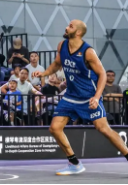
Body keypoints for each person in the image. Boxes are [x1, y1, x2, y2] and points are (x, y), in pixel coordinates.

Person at [31, 19, 128, 175]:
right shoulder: (62, 46)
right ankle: (74, 163)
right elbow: (57, 64)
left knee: (104, 129)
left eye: (70, 26)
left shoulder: (88, 52)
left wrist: (96, 97)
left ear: (78, 32)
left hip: (88, 96)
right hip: (70, 96)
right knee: (55, 128)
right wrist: (44, 73)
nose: (66, 27)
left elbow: (102, 74)